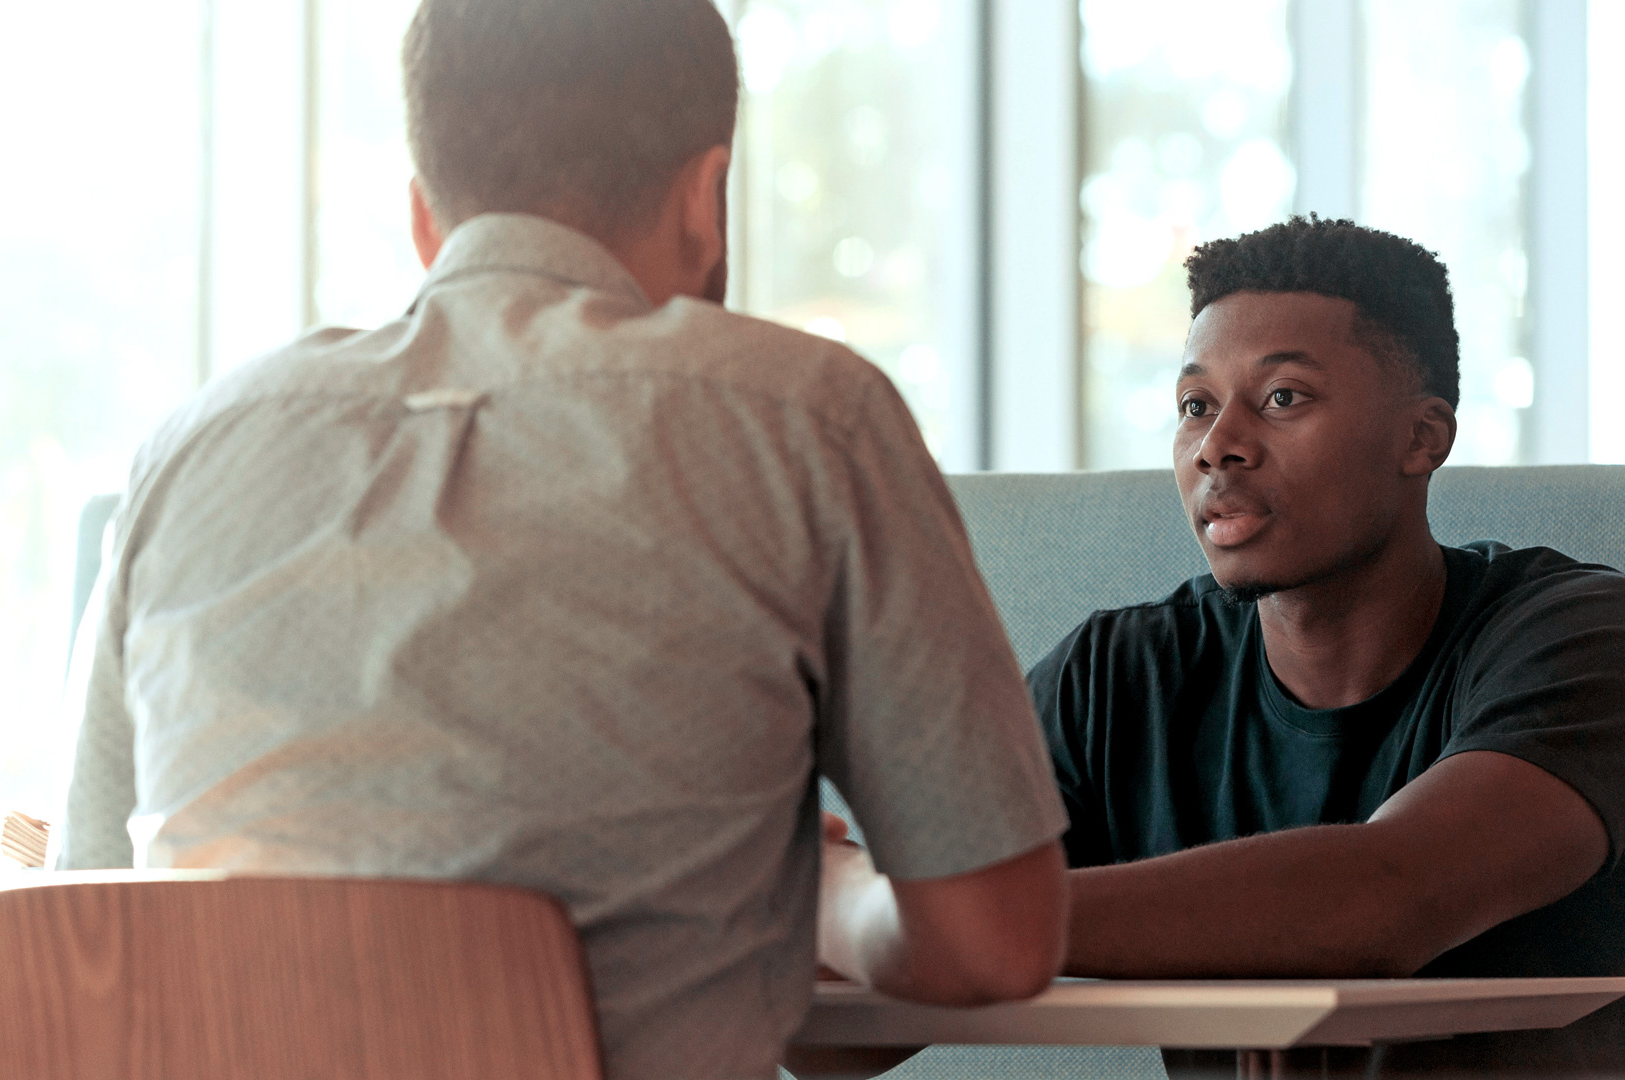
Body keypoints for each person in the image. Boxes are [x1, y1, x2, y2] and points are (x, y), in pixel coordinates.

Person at [56, 2, 1069, 1077]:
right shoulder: (808, 418)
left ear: (423, 219)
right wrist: (829, 903)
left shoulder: (191, 447)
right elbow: (992, 942)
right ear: (707, 201)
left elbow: (83, 922)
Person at [1030, 217, 1625, 1076]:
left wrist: (939, 922)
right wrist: (844, 905)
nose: (1215, 446)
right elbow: (853, 1043)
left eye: (1282, 399)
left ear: (1423, 438)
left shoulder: (1596, 639)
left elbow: (1383, 900)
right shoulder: (1119, 676)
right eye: (1195, 406)